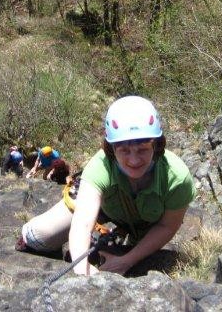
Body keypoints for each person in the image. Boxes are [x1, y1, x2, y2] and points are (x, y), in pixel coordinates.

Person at [16, 96, 196, 276]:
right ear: (111, 149)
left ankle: (127, 237)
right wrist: (81, 268)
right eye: (124, 150)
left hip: (146, 220)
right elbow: (83, 223)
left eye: (143, 149)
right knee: (38, 237)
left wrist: (126, 261)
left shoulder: (177, 178)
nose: (134, 160)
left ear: (156, 145)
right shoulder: (100, 167)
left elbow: (167, 226)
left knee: (141, 253)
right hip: (105, 206)